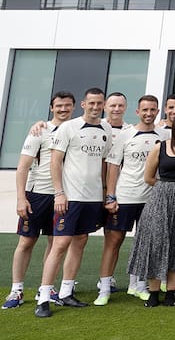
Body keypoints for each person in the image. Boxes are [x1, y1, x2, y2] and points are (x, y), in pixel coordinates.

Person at [34, 88, 109, 317]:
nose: (96, 107)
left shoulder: (106, 128)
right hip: (70, 196)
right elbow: (55, 162)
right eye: (92, 103)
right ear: (84, 105)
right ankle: (44, 297)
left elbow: (104, 163)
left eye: (99, 103)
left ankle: (66, 292)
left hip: (93, 198)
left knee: (80, 241)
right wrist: (59, 193)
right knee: (60, 244)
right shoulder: (69, 127)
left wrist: (105, 192)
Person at [6, 91, 75, 311]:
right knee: (26, 242)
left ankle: (46, 289)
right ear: (51, 108)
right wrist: (21, 198)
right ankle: (16, 289)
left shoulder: (75, 129)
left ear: (74, 107)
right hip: (37, 195)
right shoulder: (39, 131)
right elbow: (22, 167)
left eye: (67, 106)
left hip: (62, 195)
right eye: (59, 106)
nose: (63, 109)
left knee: (55, 243)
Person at [126, 111, 175, 307]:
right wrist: (166, 189)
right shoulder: (160, 147)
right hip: (160, 197)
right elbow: (148, 177)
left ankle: (170, 292)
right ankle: (153, 293)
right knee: (157, 242)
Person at [96, 94, 163, 305]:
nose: (149, 113)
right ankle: (104, 288)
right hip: (125, 197)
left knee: (146, 244)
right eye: (145, 110)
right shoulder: (125, 135)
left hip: (151, 200)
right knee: (113, 242)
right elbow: (113, 167)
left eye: (153, 110)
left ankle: (139, 285)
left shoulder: (163, 136)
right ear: (137, 112)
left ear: (157, 111)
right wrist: (111, 196)